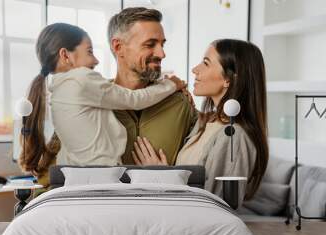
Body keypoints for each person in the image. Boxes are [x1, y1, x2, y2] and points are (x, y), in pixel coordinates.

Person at [19, 23, 187, 175]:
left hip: (74, 177)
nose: (96, 60)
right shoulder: (81, 79)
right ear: (65, 55)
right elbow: (134, 99)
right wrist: (170, 85)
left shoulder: (57, 92)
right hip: (104, 176)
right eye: (89, 52)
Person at [133, 39, 269, 205]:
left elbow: (218, 206)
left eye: (206, 63)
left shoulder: (234, 136)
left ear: (229, 79)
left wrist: (161, 176)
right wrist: (173, 91)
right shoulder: (206, 122)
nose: (195, 70)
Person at [108, 7, 196, 165]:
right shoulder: (91, 104)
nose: (162, 54)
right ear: (118, 47)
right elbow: (52, 177)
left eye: (162, 44)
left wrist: (165, 176)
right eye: (150, 45)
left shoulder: (180, 103)